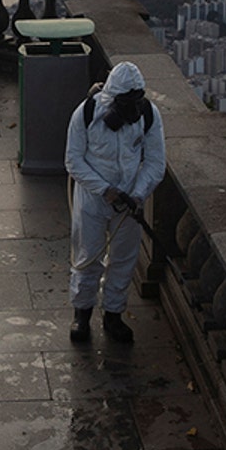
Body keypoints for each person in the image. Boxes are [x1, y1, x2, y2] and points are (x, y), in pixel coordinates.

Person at [65, 61, 166, 344]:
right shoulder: (86, 114)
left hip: (130, 201)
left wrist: (138, 193)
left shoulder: (148, 115)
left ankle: (113, 313)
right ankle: (82, 312)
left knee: (123, 259)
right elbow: (73, 160)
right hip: (93, 199)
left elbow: (155, 162)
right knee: (88, 256)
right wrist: (105, 190)